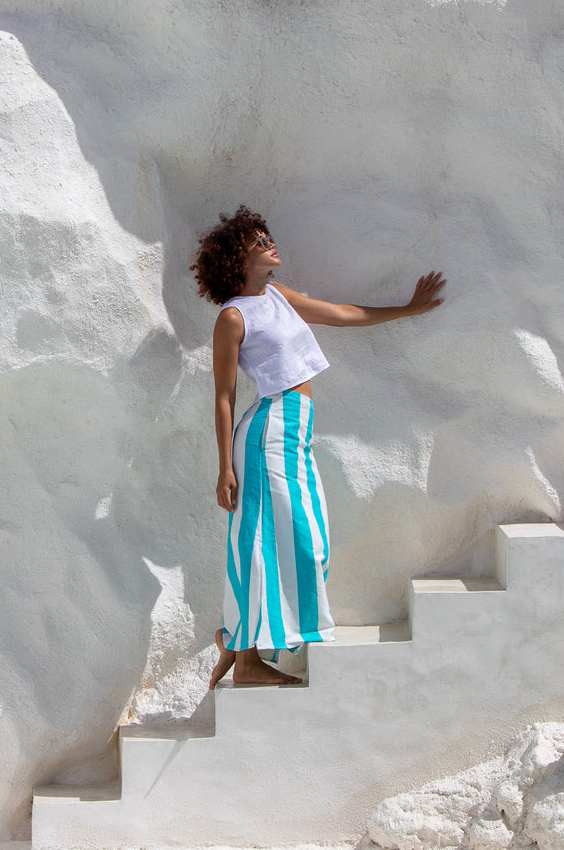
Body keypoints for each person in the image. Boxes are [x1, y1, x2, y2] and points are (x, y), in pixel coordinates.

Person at [190, 206, 446, 686]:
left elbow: (344, 315)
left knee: (312, 543)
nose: (269, 241)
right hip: (267, 435)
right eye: (257, 239)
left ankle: (236, 637)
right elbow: (223, 398)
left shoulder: (278, 297)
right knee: (264, 543)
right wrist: (224, 467)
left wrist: (407, 309)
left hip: (296, 434)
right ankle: (246, 662)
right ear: (236, 257)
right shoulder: (232, 317)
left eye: (267, 234)